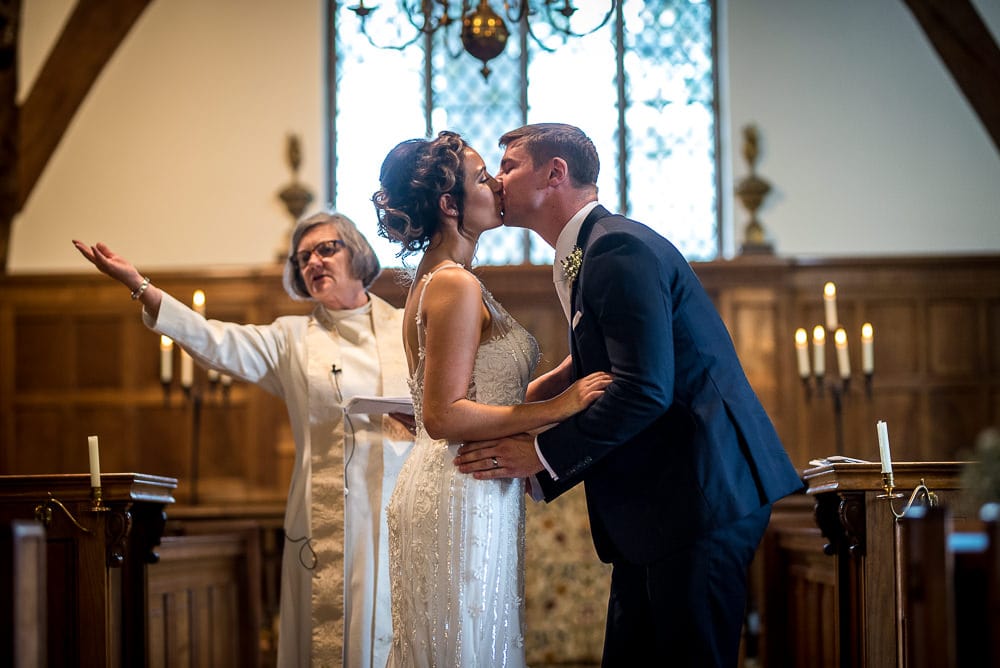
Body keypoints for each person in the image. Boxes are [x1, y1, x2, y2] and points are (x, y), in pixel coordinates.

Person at [454, 123, 805, 667]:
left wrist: (541, 455)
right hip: (663, 506)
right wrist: (505, 410)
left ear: (555, 173)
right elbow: (600, 364)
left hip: (699, 495)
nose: (497, 182)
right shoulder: (592, 248)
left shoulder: (614, 247)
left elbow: (643, 390)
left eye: (509, 167)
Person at [73, 211, 414, 667]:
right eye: (303, 258)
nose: (313, 261)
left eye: (325, 249)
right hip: (324, 518)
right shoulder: (292, 338)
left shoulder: (407, 327)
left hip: (397, 513)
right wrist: (142, 287)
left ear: (358, 253)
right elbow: (216, 340)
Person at [372, 130, 611, 667]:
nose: (498, 184)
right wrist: (558, 408)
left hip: (468, 477)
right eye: (483, 178)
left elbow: (488, 395)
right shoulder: (453, 285)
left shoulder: (442, 278)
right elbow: (442, 415)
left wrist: (570, 372)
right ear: (449, 204)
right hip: (460, 482)